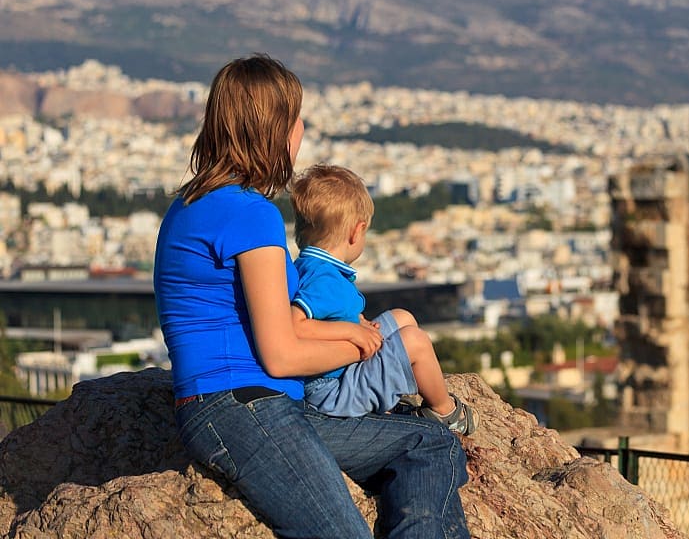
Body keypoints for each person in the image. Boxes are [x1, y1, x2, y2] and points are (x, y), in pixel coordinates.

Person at [153, 53, 470, 539]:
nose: (301, 128)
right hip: (244, 407)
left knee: (428, 442)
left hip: (244, 406)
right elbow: (280, 355)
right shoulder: (248, 213)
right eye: (295, 116)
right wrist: (365, 343)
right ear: (274, 128)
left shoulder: (189, 204)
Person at [289, 163, 476, 434]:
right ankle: (446, 412)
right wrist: (351, 331)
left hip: (338, 372)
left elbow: (326, 315)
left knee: (402, 318)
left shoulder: (310, 265)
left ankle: (398, 386)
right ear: (356, 232)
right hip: (332, 391)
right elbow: (295, 326)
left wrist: (357, 323)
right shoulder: (324, 280)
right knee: (416, 342)